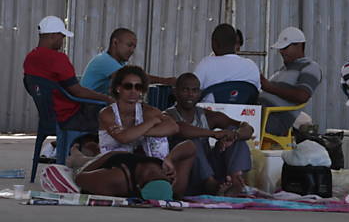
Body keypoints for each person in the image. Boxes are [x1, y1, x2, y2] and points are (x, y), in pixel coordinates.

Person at [75, 66, 195, 199]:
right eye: (128, 86)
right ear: (118, 88)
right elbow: (124, 139)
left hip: (131, 162)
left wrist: (138, 131)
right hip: (116, 160)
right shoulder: (108, 113)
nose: (133, 91)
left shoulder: (148, 111)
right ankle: (79, 156)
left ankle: (80, 157)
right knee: (105, 158)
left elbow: (173, 127)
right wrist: (151, 122)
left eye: (138, 87)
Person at [164, 73, 254, 195]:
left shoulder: (208, 115)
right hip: (188, 174)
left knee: (234, 135)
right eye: (185, 90)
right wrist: (213, 134)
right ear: (175, 92)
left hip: (212, 168)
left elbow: (247, 128)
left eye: (195, 90)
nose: (190, 94)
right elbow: (180, 128)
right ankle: (211, 185)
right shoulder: (167, 115)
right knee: (192, 143)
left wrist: (234, 136)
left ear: (200, 94)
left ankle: (236, 182)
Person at [22, 16, 114, 133]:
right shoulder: (58, 58)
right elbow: (78, 91)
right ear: (53, 35)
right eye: (62, 36)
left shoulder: (30, 58)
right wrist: (107, 98)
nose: (62, 40)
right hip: (69, 117)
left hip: (48, 118)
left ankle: (71, 147)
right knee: (110, 115)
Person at [259, 26, 323, 138]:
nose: (281, 52)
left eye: (285, 48)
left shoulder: (310, 67)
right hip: (260, 114)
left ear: (299, 45)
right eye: (280, 48)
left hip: (275, 120)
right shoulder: (282, 70)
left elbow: (302, 96)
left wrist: (269, 87)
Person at [192, 23, 261, 102]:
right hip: (244, 114)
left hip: (209, 113)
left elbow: (191, 90)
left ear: (214, 43)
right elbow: (256, 93)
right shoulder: (251, 66)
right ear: (235, 43)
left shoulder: (206, 64)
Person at [81, 28, 136, 94]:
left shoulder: (120, 63)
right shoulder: (105, 60)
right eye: (129, 45)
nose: (132, 51)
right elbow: (132, 78)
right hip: (89, 103)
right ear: (115, 42)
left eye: (134, 47)